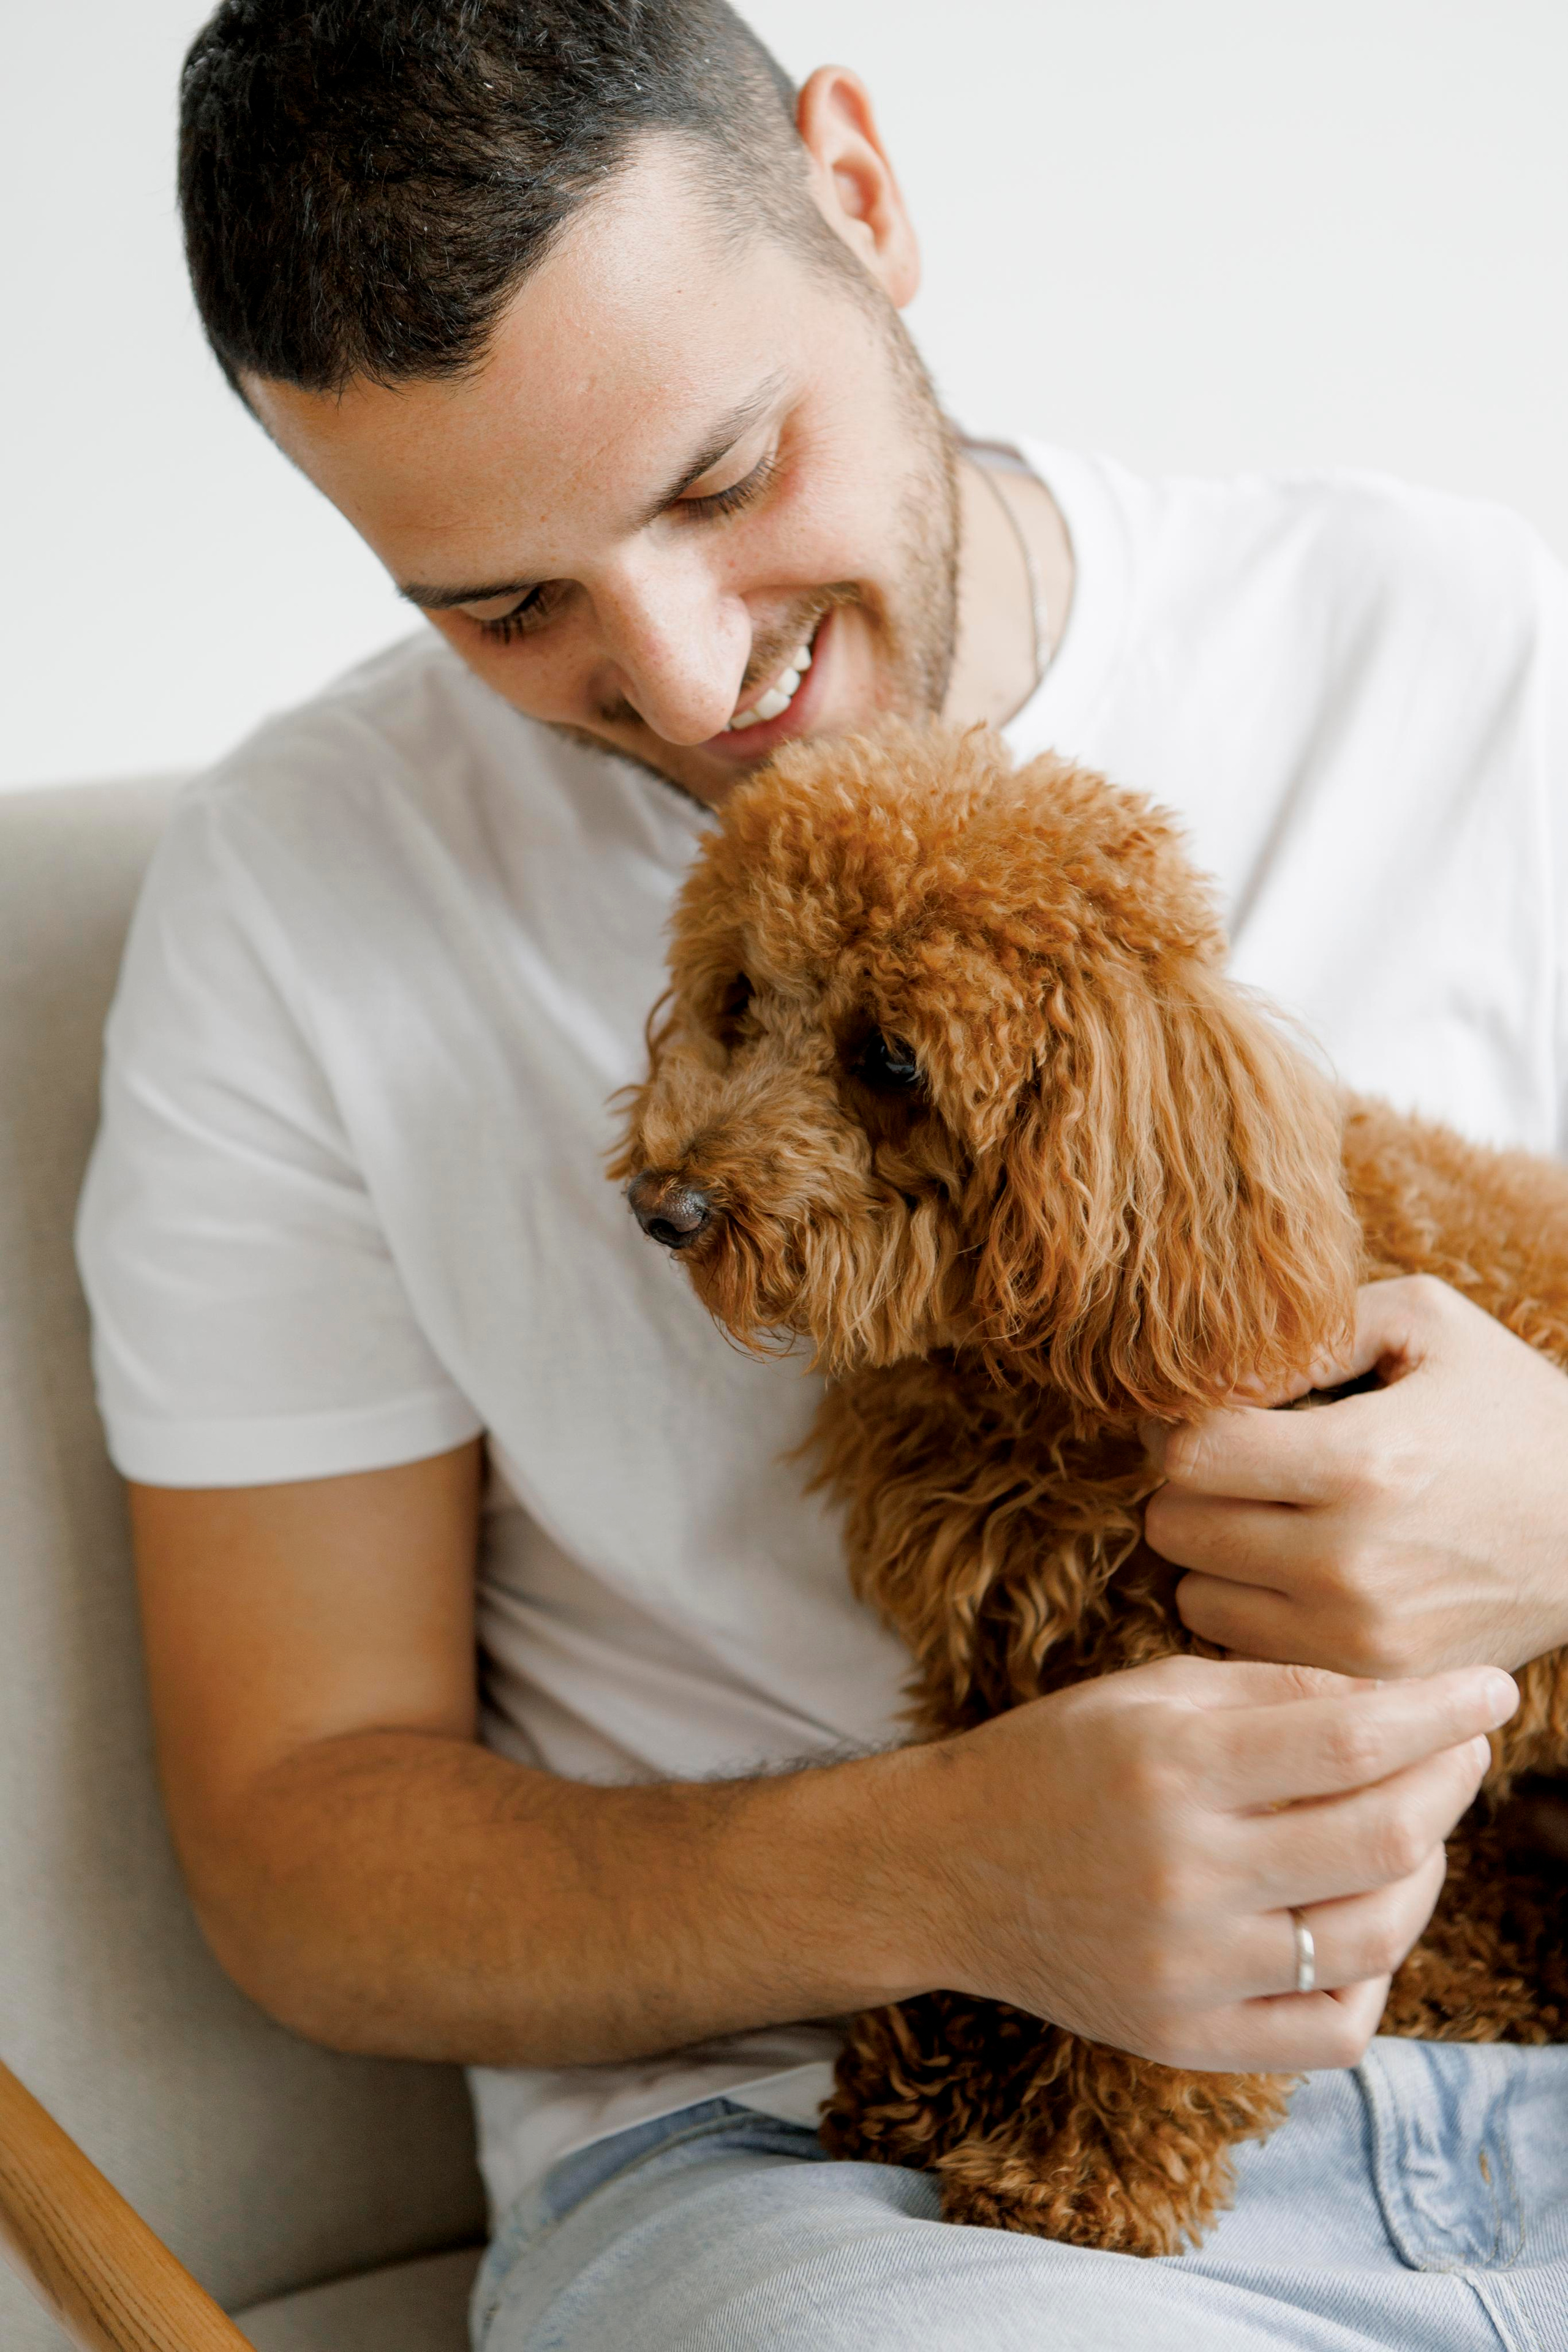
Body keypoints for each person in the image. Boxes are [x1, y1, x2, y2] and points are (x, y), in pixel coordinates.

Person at [77, 3, 1568, 2345]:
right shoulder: (299, 900)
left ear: (858, 195)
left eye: (720, 478)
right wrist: (951, 1871)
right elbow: (298, 1849)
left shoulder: (1469, 647)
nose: (687, 686)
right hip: (850, 2183)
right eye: (508, 606)